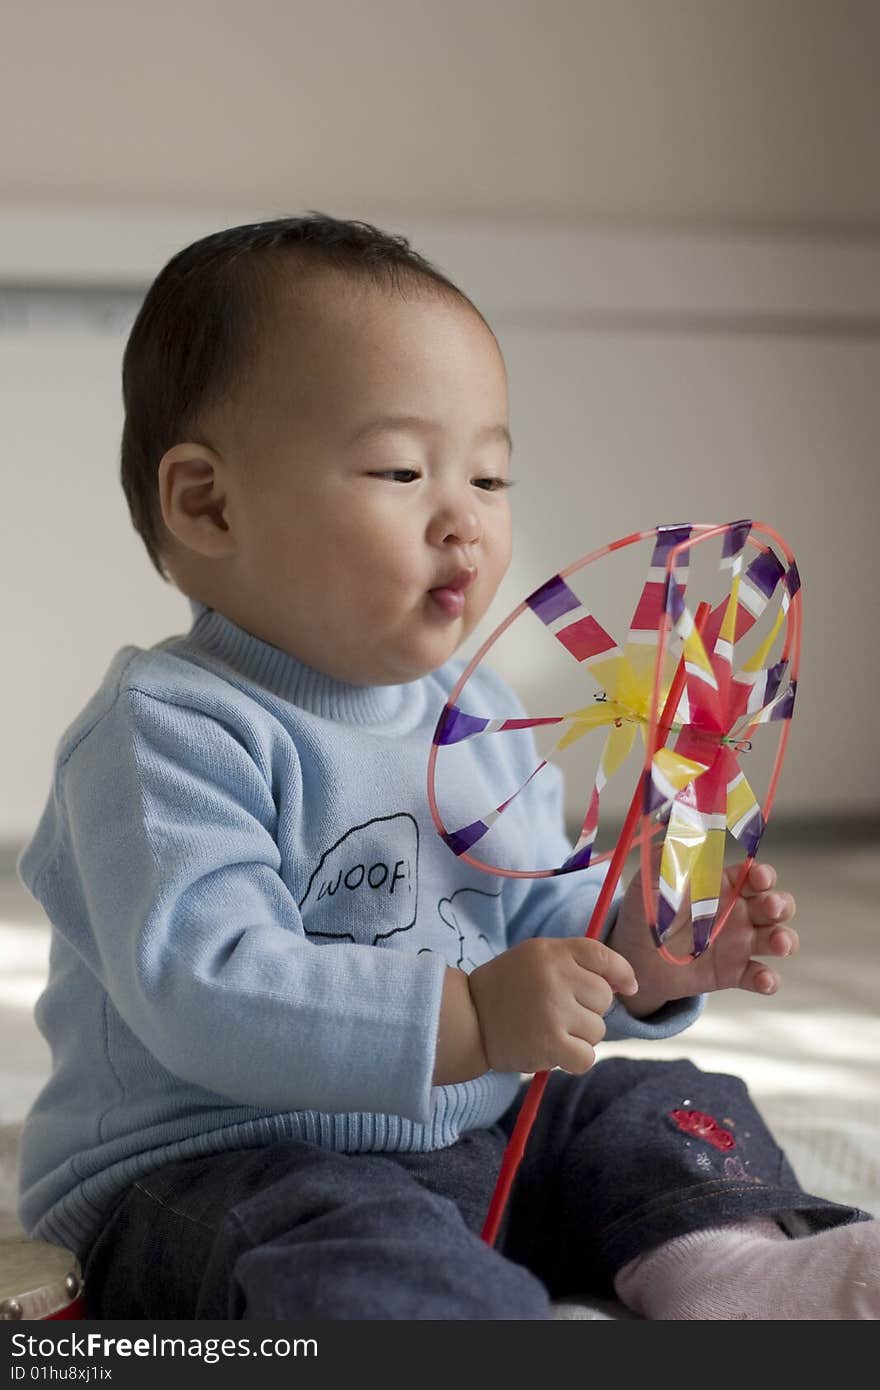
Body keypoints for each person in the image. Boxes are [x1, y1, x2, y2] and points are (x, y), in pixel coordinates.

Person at [17, 214, 876, 1321]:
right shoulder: (167, 730)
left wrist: (636, 948)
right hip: (221, 1166)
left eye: (489, 476)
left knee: (657, 1103)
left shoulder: (474, 710)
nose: (462, 519)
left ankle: (730, 1271)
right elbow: (210, 983)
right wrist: (470, 1015)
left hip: (475, 1129)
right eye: (402, 469)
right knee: (352, 1244)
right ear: (208, 502)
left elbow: (531, 916)